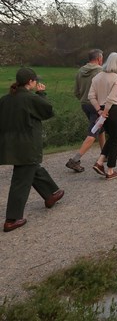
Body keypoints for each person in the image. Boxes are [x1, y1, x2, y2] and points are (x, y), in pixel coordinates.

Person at [0, 68, 64, 232]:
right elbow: (48, 110)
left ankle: (50, 194)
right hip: (26, 144)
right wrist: (41, 94)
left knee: (30, 168)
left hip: (10, 145)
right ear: (30, 82)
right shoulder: (30, 98)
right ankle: (12, 219)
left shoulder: (5, 100)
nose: (36, 83)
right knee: (21, 180)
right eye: (35, 80)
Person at [88, 52, 117, 180]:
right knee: (115, 139)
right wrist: (105, 111)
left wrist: (99, 110)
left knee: (111, 137)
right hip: (114, 109)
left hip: (102, 109)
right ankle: (110, 171)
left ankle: (100, 162)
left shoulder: (97, 77)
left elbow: (91, 96)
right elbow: (112, 97)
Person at [66, 49, 106, 172]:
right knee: (93, 132)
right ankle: (75, 160)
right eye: (102, 58)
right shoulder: (100, 71)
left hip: (84, 104)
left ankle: (104, 154)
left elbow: (76, 92)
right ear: (99, 58)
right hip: (96, 105)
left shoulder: (80, 71)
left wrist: (84, 99)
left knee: (100, 129)